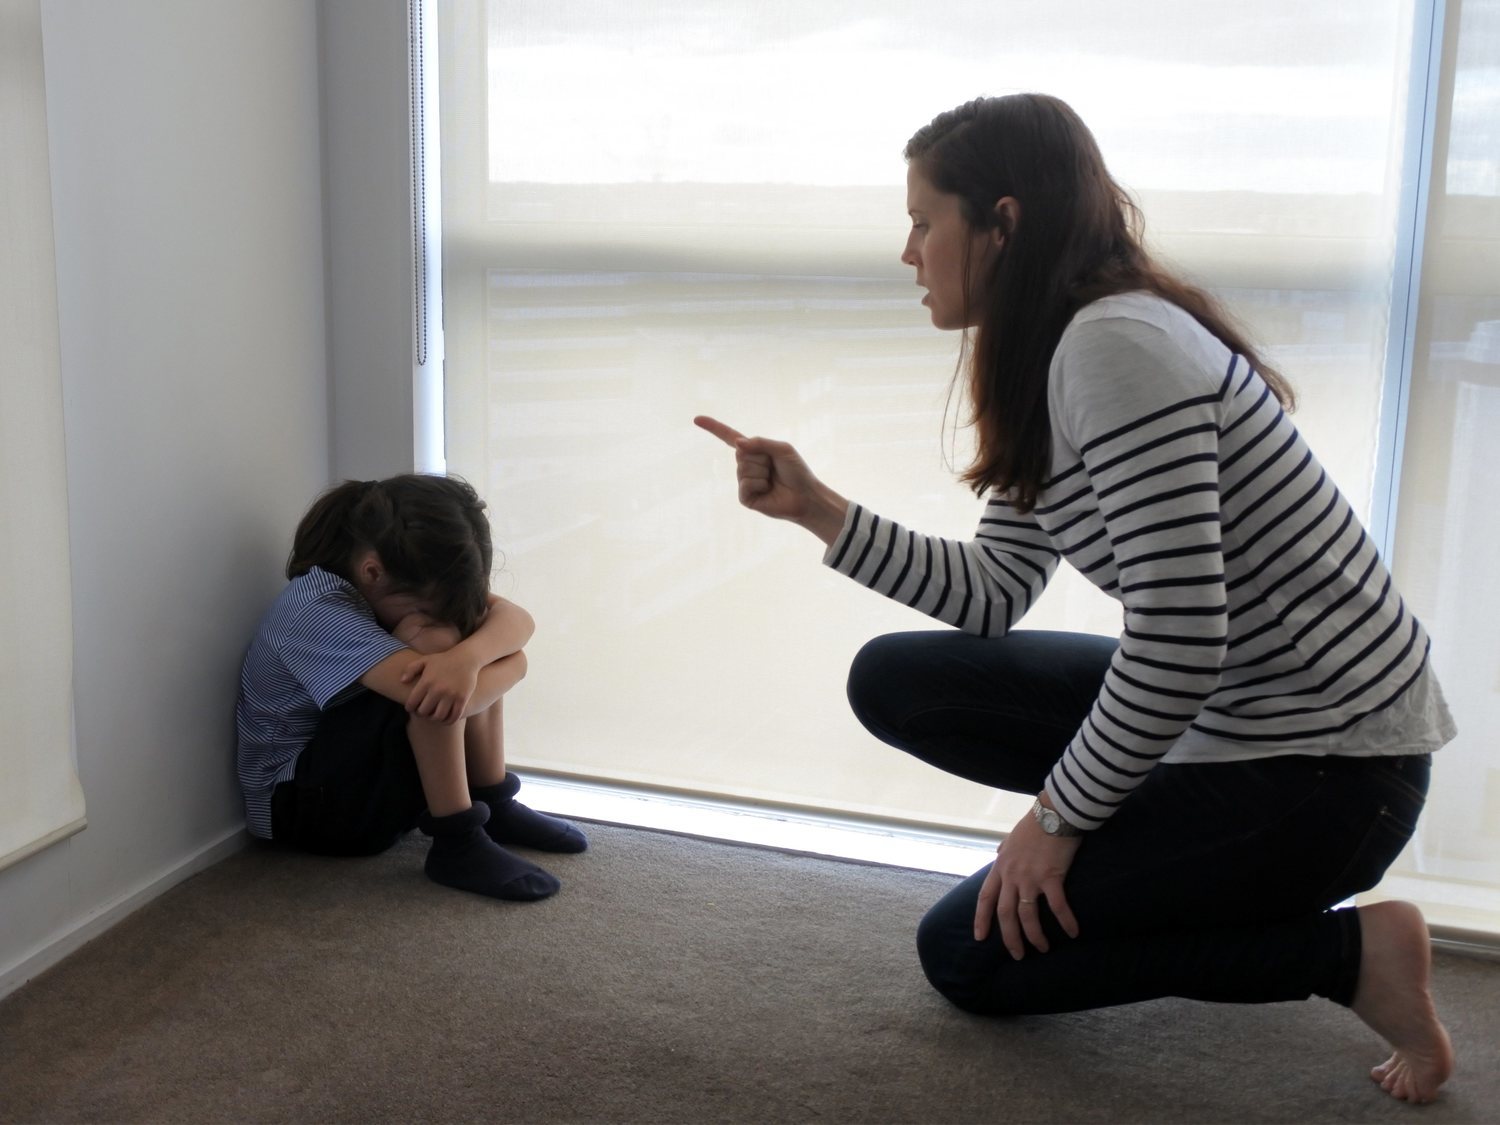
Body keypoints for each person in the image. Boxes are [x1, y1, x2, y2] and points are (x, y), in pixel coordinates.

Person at [696, 93, 1456, 1103]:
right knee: (899, 680)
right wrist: (816, 510)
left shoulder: (1113, 348)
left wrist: (1054, 820)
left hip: (1333, 772)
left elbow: (1183, 637)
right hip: (1237, 713)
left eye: (926, 220)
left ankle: (1352, 955)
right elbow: (994, 592)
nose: (909, 251)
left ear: (1003, 222)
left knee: (968, 959)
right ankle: (1153, 843)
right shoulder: (1051, 353)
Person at [236, 473, 586, 903]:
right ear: (373, 572)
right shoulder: (315, 609)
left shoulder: (373, 580)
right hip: (306, 809)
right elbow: (441, 698)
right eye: (420, 603)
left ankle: (492, 804)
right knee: (437, 645)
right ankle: (458, 844)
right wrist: (509, 663)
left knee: (466, 637)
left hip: (349, 785)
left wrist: (472, 658)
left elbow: (516, 619)